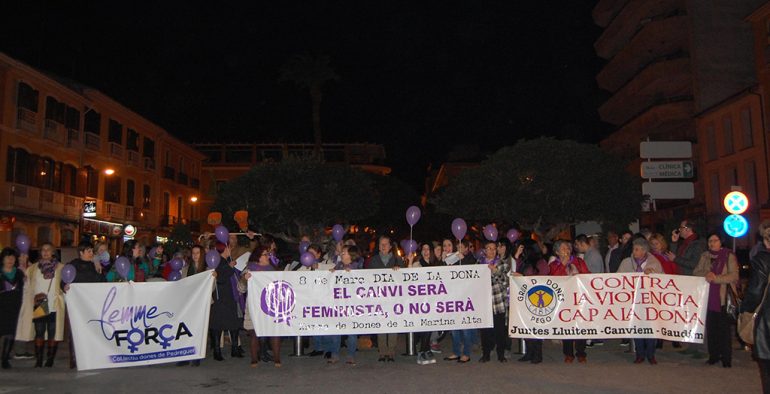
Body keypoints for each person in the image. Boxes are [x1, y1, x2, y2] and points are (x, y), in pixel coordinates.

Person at [16, 243, 65, 368]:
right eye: (43, 249)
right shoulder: (33, 268)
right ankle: (39, 359)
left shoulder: (60, 268)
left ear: (53, 252)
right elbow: (26, 284)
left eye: (49, 249)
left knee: (53, 331)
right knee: (39, 331)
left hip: (54, 304)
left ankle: (50, 358)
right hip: (39, 304)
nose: (46, 252)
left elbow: (65, 284)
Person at [693, 232, 739, 368]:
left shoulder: (729, 256)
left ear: (721, 242)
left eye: (715, 240)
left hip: (722, 297)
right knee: (711, 329)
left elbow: (734, 276)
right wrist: (707, 274)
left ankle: (726, 358)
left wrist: (716, 278)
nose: (712, 243)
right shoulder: (705, 256)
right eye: (710, 241)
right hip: (708, 297)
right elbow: (696, 272)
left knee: (724, 330)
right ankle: (713, 355)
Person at [617, 238, 663, 364]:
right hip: (633, 301)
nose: (634, 251)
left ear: (644, 251)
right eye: (633, 249)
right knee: (637, 326)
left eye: (637, 249)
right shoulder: (626, 263)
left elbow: (662, 280)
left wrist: (652, 274)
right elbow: (618, 278)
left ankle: (651, 354)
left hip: (649, 301)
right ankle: (640, 354)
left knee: (650, 327)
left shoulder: (654, 263)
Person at [63, 241, 105, 368]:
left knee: (91, 328)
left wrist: (99, 271)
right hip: (76, 303)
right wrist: (65, 286)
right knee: (75, 330)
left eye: (92, 251)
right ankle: (74, 357)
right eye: (89, 251)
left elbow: (102, 282)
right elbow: (64, 280)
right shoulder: (73, 265)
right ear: (81, 253)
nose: (91, 253)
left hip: (91, 303)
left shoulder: (94, 265)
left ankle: (91, 355)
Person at [239, 245, 282, 367]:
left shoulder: (273, 270)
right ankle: (254, 359)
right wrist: (244, 280)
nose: (268, 256)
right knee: (254, 333)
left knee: (275, 332)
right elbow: (241, 288)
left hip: (271, 305)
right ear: (258, 257)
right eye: (265, 254)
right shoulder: (249, 270)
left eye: (268, 254)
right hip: (254, 305)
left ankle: (277, 358)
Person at [549, 239, 590, 363]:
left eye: (567, 248)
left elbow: (587, 275)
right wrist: (563, 264)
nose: (566, 250)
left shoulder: (579, 261)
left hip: (579, 297)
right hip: (564, 299)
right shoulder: (553, 265)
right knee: (566, 325)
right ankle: (568, 353)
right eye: (563, 249)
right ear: (557, 252)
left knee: (580, 325)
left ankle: (581, 352)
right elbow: (553, 280)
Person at [742, 220, 770, 392]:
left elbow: (755, 291)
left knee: (767, 370)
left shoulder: (763, 260)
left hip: (768, 318)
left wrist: (745, 309)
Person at [367, 235, 403, 362]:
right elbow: (367, 278)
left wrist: (398, 271)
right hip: (379, 298)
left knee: (392, 324)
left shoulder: (397, 260)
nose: (383, 246)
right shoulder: (373, 260)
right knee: (381, 324)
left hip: (393, 299)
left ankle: (391, 351)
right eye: (381, 244)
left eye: (386, 244)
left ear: (390, 246)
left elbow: (404, 278)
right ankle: (382, 351)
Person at [443, 239, 477, 363]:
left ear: (467, 248)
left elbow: (473, 271)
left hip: (465, 298)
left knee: (466, 327)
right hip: (452, 297)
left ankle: (466, 353)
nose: (460, 249)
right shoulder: (450, 259)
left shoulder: (470, 259)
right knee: (454, 328)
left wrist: (462, 259)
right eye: (458, 247)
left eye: (462, 247)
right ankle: (456, 351)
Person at [209, 242, 244, 362]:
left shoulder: (227, 260)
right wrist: (230, 267)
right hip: (221, 297)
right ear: (225, 249)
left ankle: (235, 348)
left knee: (233, 323)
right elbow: (220, 278)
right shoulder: (217, 262)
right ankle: (217, 350)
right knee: (218, 325)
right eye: (228, 247)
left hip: (230, 296)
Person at [328, 245, 363, 365]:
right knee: (336, 330)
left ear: (351, 255)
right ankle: (335, 354)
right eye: (341, 252)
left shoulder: (357, 267)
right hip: (339, 305)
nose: (341, 254)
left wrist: (352, 274)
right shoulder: (339, 266)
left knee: (352, 332)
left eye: (344, 253)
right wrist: (333, 272)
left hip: (352, 305)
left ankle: (351, 355)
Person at [478, 240, 511, 363]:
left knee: (500, 330)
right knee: (485, 330)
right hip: (484, 302)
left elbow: (503, 280)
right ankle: (486, 353)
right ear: (484, 250)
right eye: (489, 248)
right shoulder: (479, 264)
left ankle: (501, 354)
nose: (491, 251)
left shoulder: (502, 263)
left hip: (498, 302)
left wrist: (494, 270)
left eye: (493, 248)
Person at [516, 240, 548, 364]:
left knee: (536, 326)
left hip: (536, 298)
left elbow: (543, 278)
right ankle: (529, 352)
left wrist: (524, 278)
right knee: (526, 325)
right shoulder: (524, 262)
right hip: (525, 297)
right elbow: (516, 268)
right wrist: (517, 256)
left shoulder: (541, 263)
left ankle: (537, 353)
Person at [0, 248, 24, 369]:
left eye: (12, 257)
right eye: (7, 257)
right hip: (1, 306)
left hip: (14, 306)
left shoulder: (19, 273)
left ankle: (5, 358)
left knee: (10, 332)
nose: (10, 260)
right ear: (2, 259)